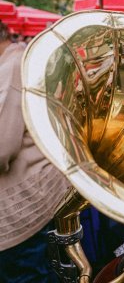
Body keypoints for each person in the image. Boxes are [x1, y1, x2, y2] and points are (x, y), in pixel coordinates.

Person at [0, 21, 70, 281]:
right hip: (32, 203)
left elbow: (2, 147)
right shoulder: (14, 62)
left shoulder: (13, 67)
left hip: (25, 212)